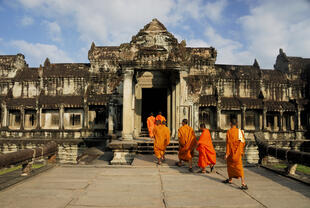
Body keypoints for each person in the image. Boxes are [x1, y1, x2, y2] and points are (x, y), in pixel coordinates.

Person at [223, 118, 248, 190]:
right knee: (239, 167)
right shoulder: (240, 132)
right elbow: (243, 142)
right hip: (238, 153)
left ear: (230, 124)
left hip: (231, 153)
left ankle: (231, 179)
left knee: (230, 166)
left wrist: (227, 153)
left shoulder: (229, 132)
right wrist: (240, 151)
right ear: (237, 124)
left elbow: (228, 143)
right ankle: (242, 183)